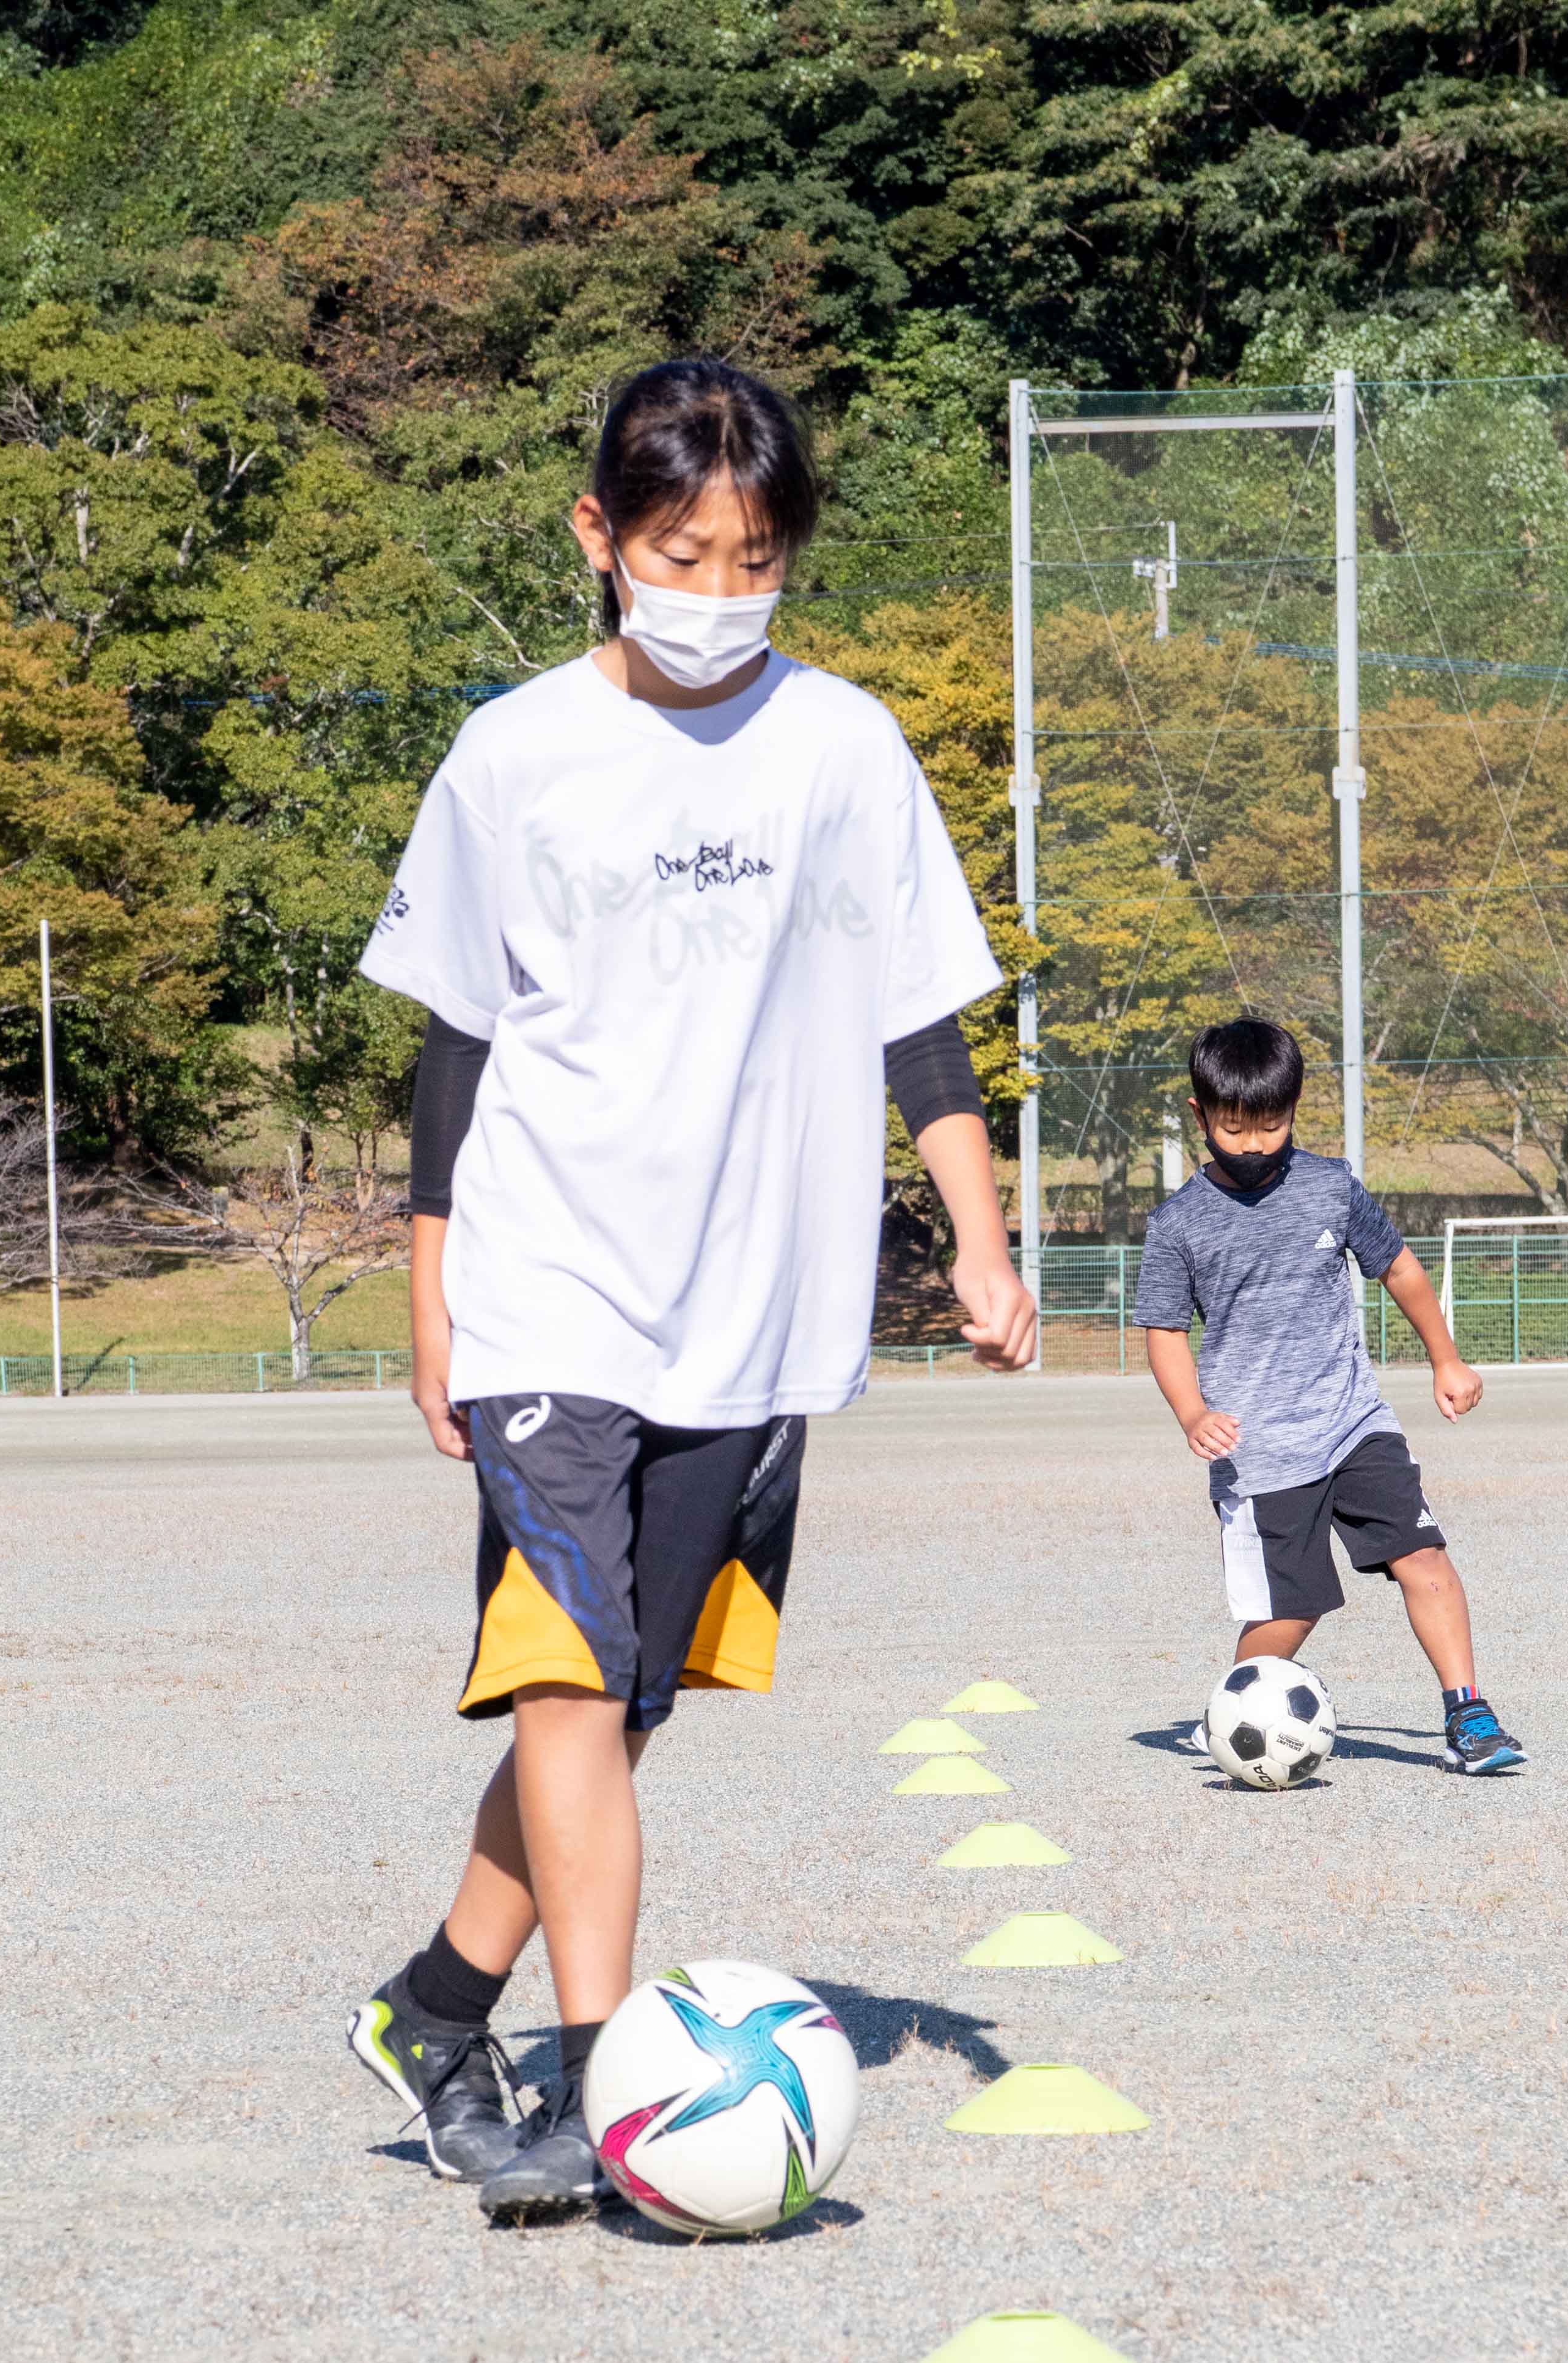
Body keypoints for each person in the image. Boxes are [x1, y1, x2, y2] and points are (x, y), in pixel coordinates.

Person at [348, 355, 1035, 2219]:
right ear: (598, 534)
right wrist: (435, 1294)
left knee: (620, 1706)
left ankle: (433, 2008)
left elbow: (918, 1015)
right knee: (565, 1685)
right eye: (679, 550)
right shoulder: (511, 753)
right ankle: (597, 2086)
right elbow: (453, 1046)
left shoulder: (844, 747)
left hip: (752, 1311)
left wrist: (975, 1231)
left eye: (751, 559)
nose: (716, 592)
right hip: (548, 1278)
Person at [1137, 1014, 1523, 1775]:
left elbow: (1401, 1270)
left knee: (1425, 1557)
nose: (1253, 1145)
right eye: (1233, 1127)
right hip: (1260, 1455)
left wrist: (1445, 1360)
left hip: (1353, 1424)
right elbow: (1163, 1330)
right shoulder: (1176, 1224)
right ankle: (1235, 1709)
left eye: (1272, 1126)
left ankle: (1468, 1715)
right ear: (1198, 1115)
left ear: (1296, 1108)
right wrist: (1192, 1412)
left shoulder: (1330, 1187)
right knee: (1292, 1609)